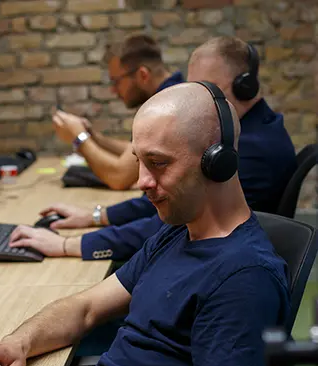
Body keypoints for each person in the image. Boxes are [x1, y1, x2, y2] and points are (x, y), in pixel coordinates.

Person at [0, 82, 291, 366]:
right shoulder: (180, 230)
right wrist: (16, 343)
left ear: (218, 162)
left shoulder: (243, 275)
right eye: (139, 161)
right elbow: (87, 307)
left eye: (158, 163)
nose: (143, 180)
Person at [18, 37, 297, 263]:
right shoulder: (249, 129)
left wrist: (72, 244)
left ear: (244, 87)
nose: (197, 99)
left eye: (207, 89)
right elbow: (163, 196)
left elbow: (171, 226)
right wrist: (95, 217)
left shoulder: (251, 149)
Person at [54, 34, 183, 190]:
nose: (113, 90)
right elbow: (135, 153)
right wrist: (94, 137)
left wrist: (79, 138)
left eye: (116, 81)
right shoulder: (173, 94)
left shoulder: (165, 108)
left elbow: (119, 177)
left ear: (143, 75)